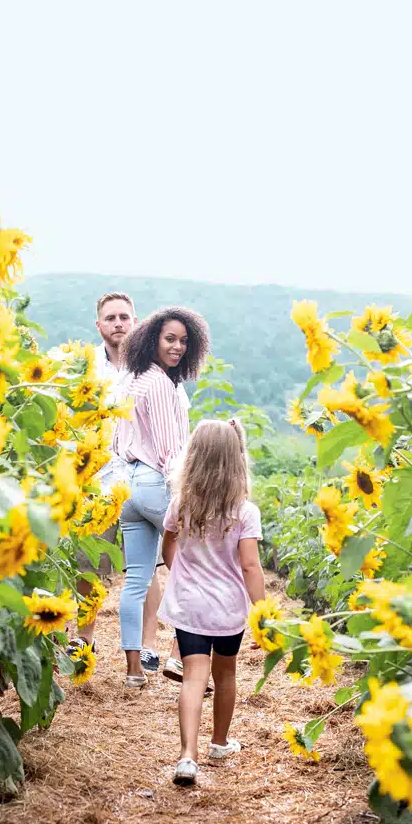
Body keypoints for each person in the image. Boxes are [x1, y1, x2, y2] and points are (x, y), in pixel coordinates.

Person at [72, 293, 191, 664]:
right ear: (99, 326)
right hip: (99, 477)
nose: (119, 323)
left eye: (125, 316)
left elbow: (174, 422)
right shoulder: (87, 369)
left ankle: (148, 646)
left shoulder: (151, 368)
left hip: (141, 474)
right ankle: (84, 638)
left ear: (136, 322)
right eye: (111, 318)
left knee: (148, 565)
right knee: (89, 561)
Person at [158, 419, 266, 786]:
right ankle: (219, 743)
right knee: (226, 675)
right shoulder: (244, 512)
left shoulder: (181, 504)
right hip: (227, 610)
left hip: (190, 606)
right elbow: (250, 565)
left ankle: (188, 757)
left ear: (194, 458)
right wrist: (263, 614)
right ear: (236, 461)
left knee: (193, 677)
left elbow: (168, 547)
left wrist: (181, 573)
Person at [113, 306, 208, 687]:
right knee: (199, 567)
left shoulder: (131, 380)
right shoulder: (162, 386)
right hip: (156, 484)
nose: (178, 347)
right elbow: (173, 454)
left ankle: (134, 671)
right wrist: (188, 499)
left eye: (184, 341)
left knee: (136, 579)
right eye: (170, 339)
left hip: (128, 487)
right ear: (152, 339)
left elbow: (118, 441)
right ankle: (178, 656)